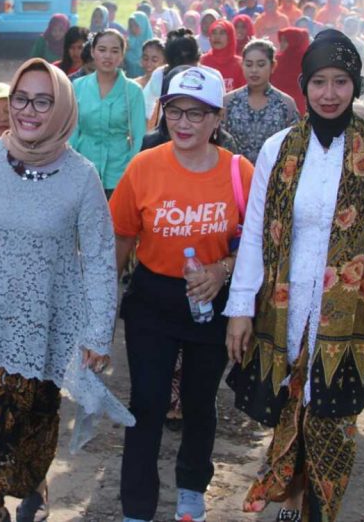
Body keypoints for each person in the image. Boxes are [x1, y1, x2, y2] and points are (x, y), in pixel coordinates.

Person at [224, 30, 364, 522]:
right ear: (303, 86)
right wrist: (240, 308)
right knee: (291, 411)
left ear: (356, 84)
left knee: (331, 422)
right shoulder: (278, 149)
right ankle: (291, 498)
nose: (329, 93)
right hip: (287, 308)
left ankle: (318, 510)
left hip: (354, 317)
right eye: (319, 81)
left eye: (340, 81)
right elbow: (257, 231)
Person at [0, 58, 127, 522]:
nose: (28, 110)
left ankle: (33, 487)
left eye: (43, 101)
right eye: (21, 98)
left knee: (33, 428)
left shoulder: (81, 177)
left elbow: (101, 259)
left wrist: (97, 333)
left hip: (46, 328)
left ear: (61, 109)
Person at [112, 65, 254, 522]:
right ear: (163, 112)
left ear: (217, 119)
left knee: (198, 400)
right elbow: (119, 241)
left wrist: (223, 270)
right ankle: (137, 506)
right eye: (175, 110)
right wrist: (98, 308)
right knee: (147, 403)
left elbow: (258, 243)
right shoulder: (143, 167)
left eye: (198, 113)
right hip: (152, 298)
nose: (185, 122)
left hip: (210, 302)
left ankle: (192, 487)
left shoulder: (239, 171)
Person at [71, 29, 146, 195]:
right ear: (92, 52)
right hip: (84, 166)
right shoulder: (78, 86)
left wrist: (130, 169)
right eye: (102, 50)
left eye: (114, 51)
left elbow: (138, 135)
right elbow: (73, 130)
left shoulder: (133, 91)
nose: (108, 56)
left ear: (122, 55)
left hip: (119, 170)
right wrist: (71, 164)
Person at [223, 39, 299, 163]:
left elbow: (295, 146)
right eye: (248, 64)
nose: (254, 70)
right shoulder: (228, 102)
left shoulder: (285, 104)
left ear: (273, 66)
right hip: (235, 176)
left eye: (261, 64)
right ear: (242, 65)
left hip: (272, 176)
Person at [271, 26, 311, 115]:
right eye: (280, 40)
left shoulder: (307, 61)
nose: (281, 44)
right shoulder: (276, 60)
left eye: (285, 41)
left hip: (300, 106)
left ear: (294, 42)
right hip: (278, 105)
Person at [200, 19, 246, 92]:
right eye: (214, 33)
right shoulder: (202, 62)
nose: (217, 37)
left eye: (222, 33)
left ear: (230, 37)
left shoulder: (240, 64)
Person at [134, 38, 166, 122]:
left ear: (164, 62)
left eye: (154, 60)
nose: (149, 64)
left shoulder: (166, 87)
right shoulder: (132, 85)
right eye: (145, 58)